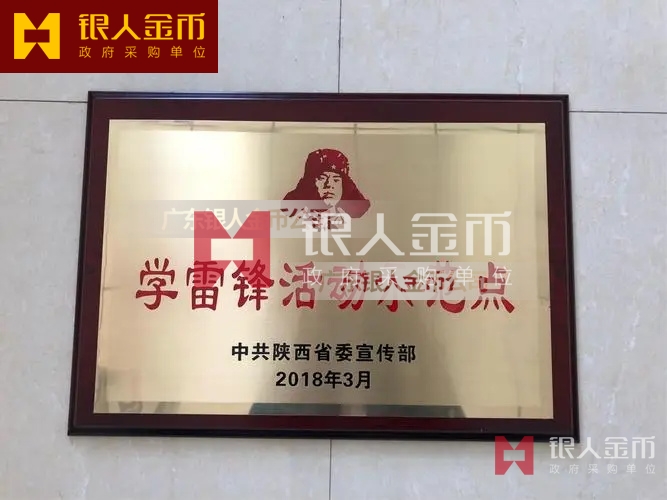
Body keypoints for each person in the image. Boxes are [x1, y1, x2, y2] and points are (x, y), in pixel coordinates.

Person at [282, 148, 370, 229]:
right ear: (309, 183)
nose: (329, 185)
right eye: (322, 178)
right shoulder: (293, 216)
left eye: (336, 180)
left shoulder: (356, 218)